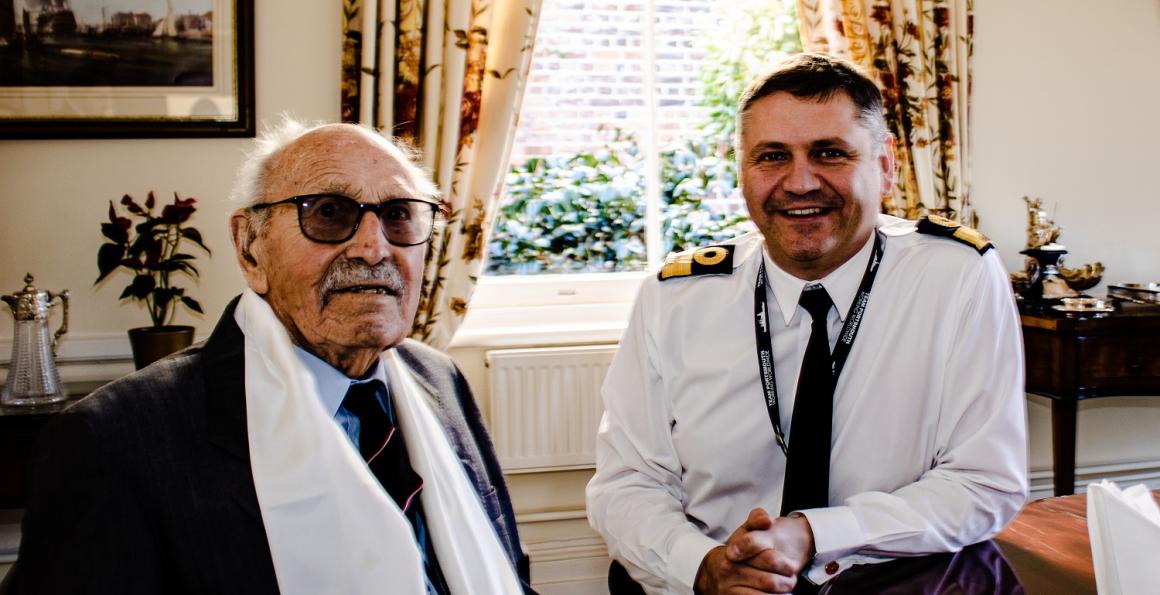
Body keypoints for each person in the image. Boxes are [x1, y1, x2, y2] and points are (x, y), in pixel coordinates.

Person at [11, 120, 532, 594]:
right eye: (329, 213)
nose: (374, 248)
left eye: (398, 216)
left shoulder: (439, 380)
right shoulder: (114, 440)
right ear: (248, 246)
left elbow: (507, 571)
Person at [586, 53, 1027, 594]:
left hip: (892, 573)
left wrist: (813, 533)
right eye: (772, 156)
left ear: (885, 167)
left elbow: (983, 482)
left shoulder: (958, 276)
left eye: (830, 153)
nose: (799, 183)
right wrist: (702, 565)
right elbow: (628, 484)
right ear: (743, 169)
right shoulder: (674, 298)